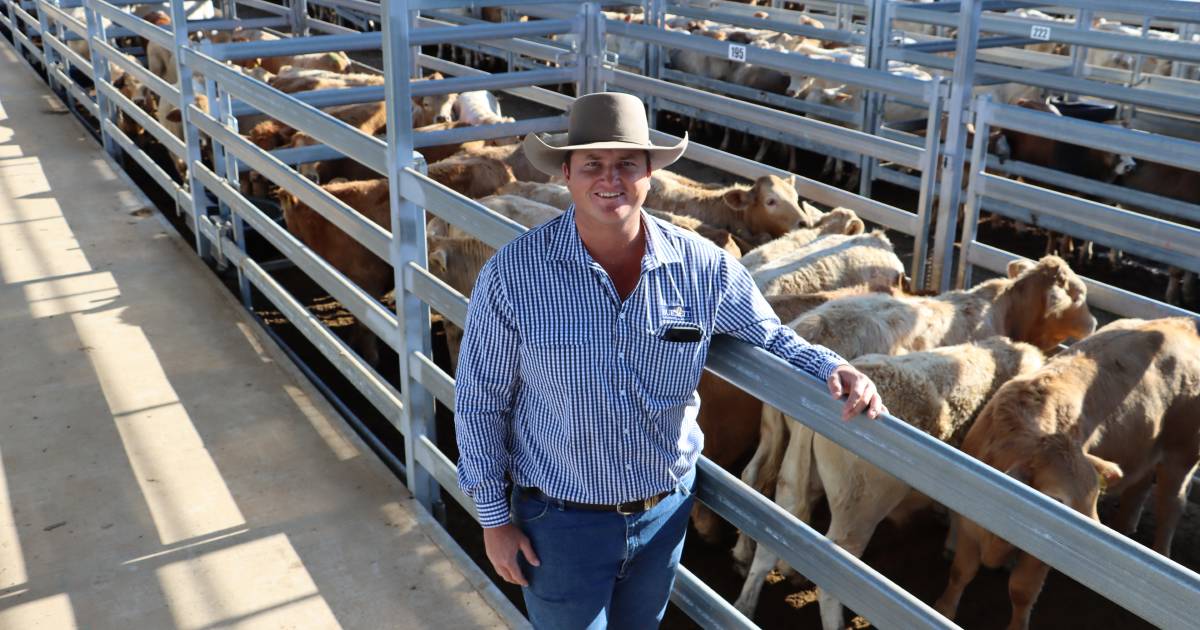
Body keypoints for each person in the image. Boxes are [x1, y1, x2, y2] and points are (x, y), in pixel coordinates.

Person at [454, 92, 886, 629]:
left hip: (662, 514)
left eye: (626, 164)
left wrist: (832, 367)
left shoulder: (703, 268)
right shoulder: (515, 274)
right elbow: (478, 402)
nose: (610, 179)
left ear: (651, 173)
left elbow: (771, 336)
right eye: (593, 164)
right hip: (559, 522)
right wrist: (494, 521)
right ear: (566, 173)